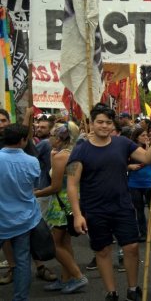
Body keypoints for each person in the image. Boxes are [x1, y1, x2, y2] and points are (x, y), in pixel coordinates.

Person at [66, 103, 151, 301]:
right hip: (94, 210)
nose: (104, 126)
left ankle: (132, 288)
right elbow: (71, 184)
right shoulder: (81, 150)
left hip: (123, 207)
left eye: (108, 122)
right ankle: (111, 292)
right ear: (92, 124)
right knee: (102, 251)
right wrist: (77, 215)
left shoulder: (123, 144)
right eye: (100, 122)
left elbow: (146, 158)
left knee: (132, 248)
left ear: (113, 124)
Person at [34, 121, 89, 294]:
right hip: (73, 201)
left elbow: (55, 186)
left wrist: (35, 194)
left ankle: (78, 276)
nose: (49, 138)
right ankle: (67, 279)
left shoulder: (61, 157)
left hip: (61, 204)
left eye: (52, 135)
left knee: (53, 243)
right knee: (64, 242)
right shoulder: (75, 151)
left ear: (60, 138)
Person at [0, 123, 42, 301]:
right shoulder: (32, 161)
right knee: (23, 260)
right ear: (24, 140)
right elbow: (36, 185)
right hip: (24, 218)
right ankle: (20, 298)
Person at [127, 128, 151, 241]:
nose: (146, 137)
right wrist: (129, 167)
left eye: (146, 135)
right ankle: (143, 232)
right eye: (143, 135)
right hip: (135, 183)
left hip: (149, 182)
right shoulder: (130, 149)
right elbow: (122, 163)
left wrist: (148, 149)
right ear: (137, 137)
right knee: (139, 210)